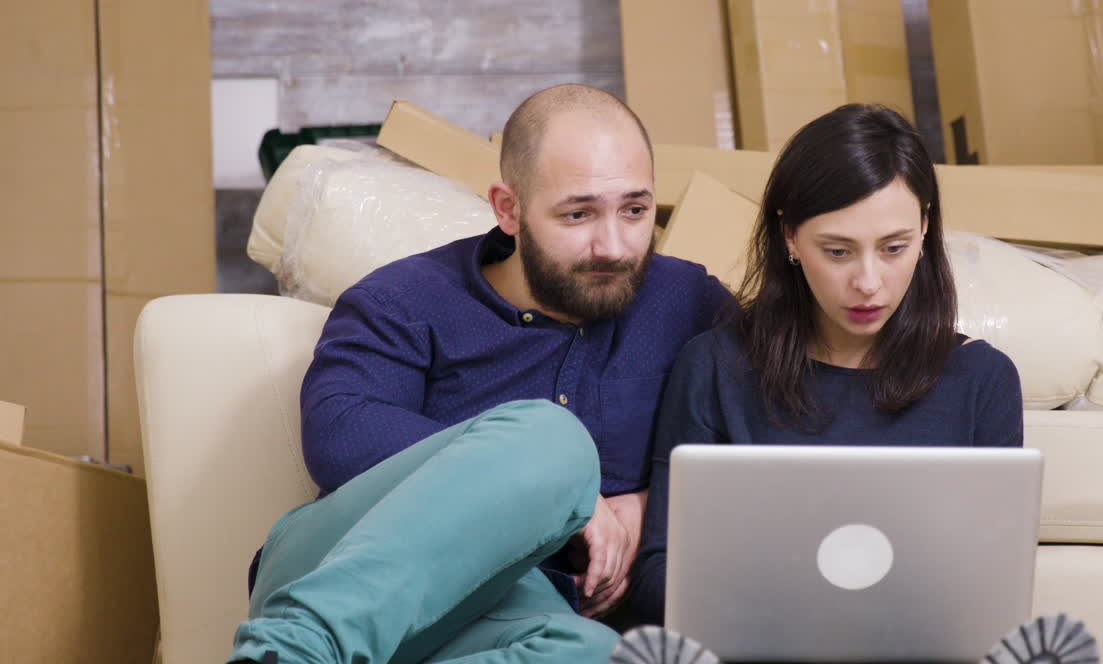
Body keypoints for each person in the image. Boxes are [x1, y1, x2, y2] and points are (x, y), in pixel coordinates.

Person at [226, 84, 736, 664]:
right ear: (508, 209)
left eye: (635, 210)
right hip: (342, 576)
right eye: (578, 213)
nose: (613, 244)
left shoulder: (690, 303)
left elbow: (765, 436)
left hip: (512, 615)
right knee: (550, 439)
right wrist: (567, 493)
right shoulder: (403, 300)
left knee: (600, 655)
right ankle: (292, 650)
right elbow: (340, 434)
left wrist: (653, 500)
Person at [617, 104, 1099, 664]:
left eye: (894, 248)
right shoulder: (715, 366)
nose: (868, 283)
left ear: (924, 228)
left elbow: (991, 594)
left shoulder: (982, 380)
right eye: (838, 251)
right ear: (790, 238)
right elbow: (658, 574)